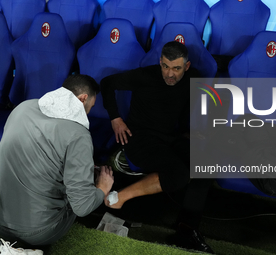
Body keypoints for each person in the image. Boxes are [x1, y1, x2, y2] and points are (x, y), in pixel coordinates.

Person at [101, 41, 214, 253]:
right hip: (139, 139)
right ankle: (117, 198)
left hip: (169, 138)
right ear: (160, 62)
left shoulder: (193, 77)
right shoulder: (145, 75)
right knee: (179, 174)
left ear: (187, 67)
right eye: (165, 66)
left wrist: (191, 131)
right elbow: (107, 83)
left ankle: (186, 231)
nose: (169, 74)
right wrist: (115, 118)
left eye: (176, 68)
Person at [0, 74, 114, 248]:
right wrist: (102, 188)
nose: (89, 112)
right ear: (83, 99)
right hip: (37, 233)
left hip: (1, 221)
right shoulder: (78, 135)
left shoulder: (22, 107)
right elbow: (82, 207)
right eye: (90, 107)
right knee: (79, 197)